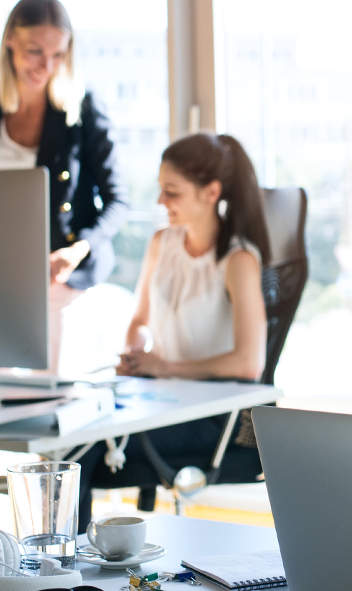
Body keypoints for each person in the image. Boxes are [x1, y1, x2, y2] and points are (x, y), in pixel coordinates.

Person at [74, 133, 271, 532]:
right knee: (70, 432)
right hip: (161, 399)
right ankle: (60, 556)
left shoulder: (238, 260)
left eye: (172, 192)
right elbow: (139, 321)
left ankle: (60, 559)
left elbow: (249, 363)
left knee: (79, 451)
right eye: (161, 189)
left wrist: (165, 368)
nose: (161, 201)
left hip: (214, 417)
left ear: (210, 193)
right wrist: (135, 356)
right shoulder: (162, 243)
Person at [0, 0, 128, 373]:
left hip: (65, 268)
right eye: (35, 52)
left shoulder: (84, 107)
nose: (47, 66)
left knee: (49, 385)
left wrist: (77, 250)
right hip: (5, 265)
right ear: (10, 40)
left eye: (58, 54)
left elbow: (118, 201)